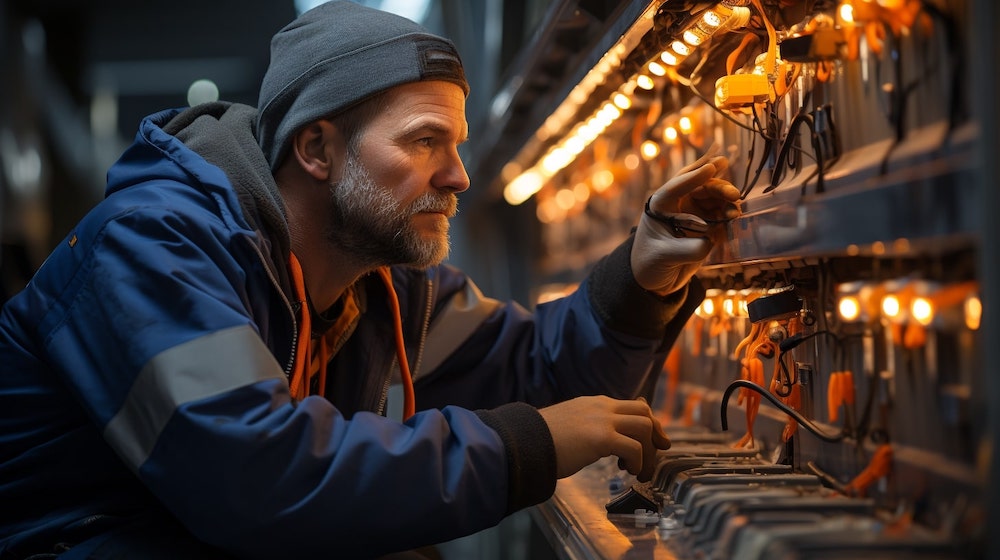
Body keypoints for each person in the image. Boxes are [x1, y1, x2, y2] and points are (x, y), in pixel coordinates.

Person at [0, 2, 741, 558]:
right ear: (317, 149)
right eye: (423, 141)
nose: (457, 176)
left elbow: (538, 372)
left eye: (454, 144)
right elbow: (257, 479)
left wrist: (640, 282)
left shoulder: (379, 280)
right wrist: (525, 445)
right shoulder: (153, 248)